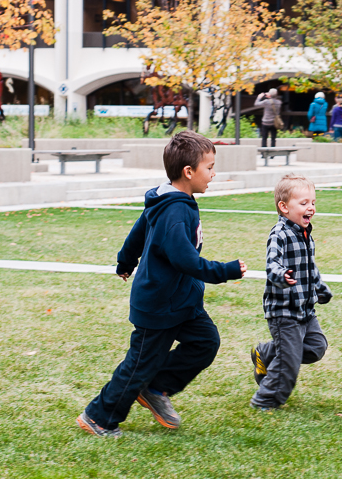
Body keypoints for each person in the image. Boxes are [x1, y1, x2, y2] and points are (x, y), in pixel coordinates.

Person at [77, 131, 247, 437]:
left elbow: (138, 231)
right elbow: (185, 260)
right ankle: (99, 417)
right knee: (139, 364)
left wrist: (126, 260)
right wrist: (226, 270)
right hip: (160, 304)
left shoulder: (172, 199)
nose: (213, 173)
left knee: (206, 342)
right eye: (209, 167)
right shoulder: (174, 210)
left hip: (182, 300)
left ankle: (156, 388)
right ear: (188, 172)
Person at [250, 174, 332, 410]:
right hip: (284, 312)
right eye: (304, 203)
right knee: (289, 362)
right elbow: (272, 264)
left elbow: (309, 266)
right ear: (284, 207)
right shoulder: (280, 234)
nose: (311, 208)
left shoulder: (306, 234)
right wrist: (281, 275)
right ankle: (265, 400)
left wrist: (319, 287)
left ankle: (266, 353)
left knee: (316, 347)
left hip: (305, 309)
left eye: (313, 202)